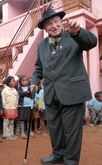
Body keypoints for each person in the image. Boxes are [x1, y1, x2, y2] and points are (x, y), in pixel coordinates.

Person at [30, 8, 97, 165]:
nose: (53, 26)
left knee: (72, 131)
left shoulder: (74, 36)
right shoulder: (41, 45)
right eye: (49, 24)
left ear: (61, 22)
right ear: (45, 28)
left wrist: (79, 32)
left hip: (73, 93)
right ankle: (57, 154)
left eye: (56, 22)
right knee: (55, 129)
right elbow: (39, 66)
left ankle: (71, 161)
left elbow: (92, 42)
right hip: (51, 94)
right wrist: (34, 81)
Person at [2, 76, 18, 140]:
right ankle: (6, 135)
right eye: (13, 81)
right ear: (8, 82)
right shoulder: (5, 90)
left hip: (13, 108)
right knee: (6, 122)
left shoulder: (15, 90)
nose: (15, 82)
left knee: (12, 122)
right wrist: (4, 108)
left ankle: (11, 134)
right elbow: (3, 100)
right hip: (7, 108)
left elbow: (16, 99)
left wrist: (16, 108)